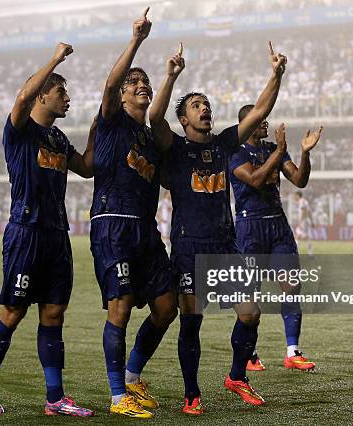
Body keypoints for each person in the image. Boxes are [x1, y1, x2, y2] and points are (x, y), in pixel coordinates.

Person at [150, 41, 286, 413]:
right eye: (196, 105)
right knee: (191, 323)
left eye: (206, 104)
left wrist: (276, 75)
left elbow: (260, 111)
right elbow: (154, 119)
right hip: (189, 247)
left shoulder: (225, 143)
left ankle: (236, 376)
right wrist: (171, 76)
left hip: (225, 245)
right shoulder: (175, 148)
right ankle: (191, 394)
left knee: (251, 313)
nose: (205, 108)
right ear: (184, 119)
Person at [0, 42, 95, 417]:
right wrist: (56, 58)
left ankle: (55, 398)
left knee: (54, 314)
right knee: (13, 311)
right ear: (43, 94)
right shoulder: (20, 130)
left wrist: (101, 126)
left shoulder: (59, 140)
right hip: (26, 232)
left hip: (56, 236)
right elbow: (22, 95)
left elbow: (88, 167)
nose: (68, 99)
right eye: (62, 92)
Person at [90, 7, 177, 419]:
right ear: (123, 95)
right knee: (120, 308)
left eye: (144, 81)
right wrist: (137, 40)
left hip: (145, 229)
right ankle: (115, 395)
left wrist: (169, 78)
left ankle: (132, 376)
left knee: (166, 307)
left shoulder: (150, 136)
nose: (140, 85)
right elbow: (109, 83)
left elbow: (160, 121)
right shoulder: (111, 121)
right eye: (134, 83)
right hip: (112, 224)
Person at [230, 106, 323, 374]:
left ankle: (292, 351)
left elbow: (299, 179)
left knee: (292, 285)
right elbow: (255, 180)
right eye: (260, 121)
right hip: (250, 226)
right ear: (246, 123)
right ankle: (250, 352)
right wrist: (280, 152)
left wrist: (305, 153)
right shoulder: (234, 152)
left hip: (277, 224)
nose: (265, 125)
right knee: (252, 295)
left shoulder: (273, 148)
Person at [294, 191, 314, 256]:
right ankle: (311, 253)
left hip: (304, 221)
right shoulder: (305, 201)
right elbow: (309, 212)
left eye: (295, 195)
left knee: (297, 235)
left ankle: (295, 252)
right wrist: (312, 221)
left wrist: (301, 222)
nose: (294, 197)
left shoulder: (301, 202)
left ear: (298, 195)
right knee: (308, 237)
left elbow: (304, 211)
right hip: (306, 221)